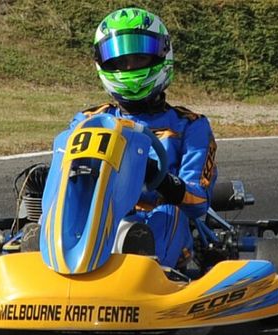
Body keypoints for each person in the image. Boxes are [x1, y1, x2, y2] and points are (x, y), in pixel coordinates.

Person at [24, 7, 216, 267]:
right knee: (65, 206)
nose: (129, 67)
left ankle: (144, 259)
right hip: (99, 215)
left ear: (162, 55)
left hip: (158, 215)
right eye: (120, 61)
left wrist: (160, 179)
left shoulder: (190, 126)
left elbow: (199, 202)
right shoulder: (87, 121)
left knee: (168, 213)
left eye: (138, 59)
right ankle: (44, 247)